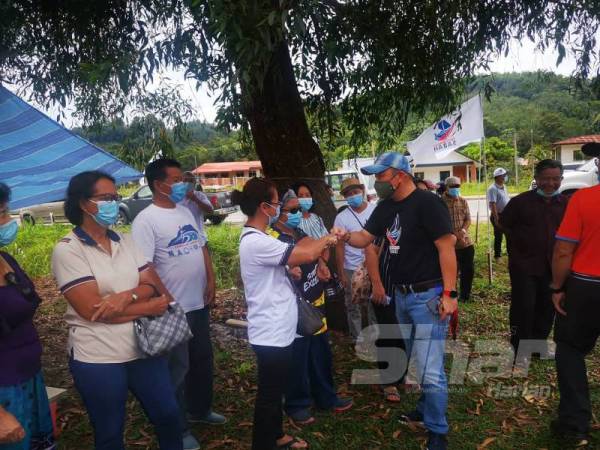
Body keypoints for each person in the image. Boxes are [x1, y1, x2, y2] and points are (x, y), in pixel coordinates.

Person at [331, 152, 458, 450]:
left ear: (399, 175)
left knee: (430, 369)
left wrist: (450, 294)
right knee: (419, 359)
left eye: (381, 176)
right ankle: (425, 411)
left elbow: (446, 248)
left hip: (427, 296)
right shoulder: (386, 207)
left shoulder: (428, 203)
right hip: (400, 295)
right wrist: (344, 236)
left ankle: (438, 432)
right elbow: (365, 237)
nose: (377, 182)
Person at [50, 171, 181, 450]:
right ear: (84, 203)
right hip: (98, 355)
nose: (113, 203)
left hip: (142, 346)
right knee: (109, 430)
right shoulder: (68, 250)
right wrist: (148, 307)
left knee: (168, 414)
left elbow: (150, 283)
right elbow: (93, 311)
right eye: (105, 198)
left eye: (115, 197)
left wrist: (127, 295)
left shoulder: (124, 240)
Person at [233, 177, 338, 450]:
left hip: (277, 328)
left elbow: (294, 253)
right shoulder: (256, 241)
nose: (280, 208)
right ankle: (264, 442)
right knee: (269, 394)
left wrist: (285, 268)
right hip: (270, 331)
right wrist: (330, 238)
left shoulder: (260, 238)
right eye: (277, 202)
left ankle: (276, 434)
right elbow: (305, 254)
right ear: (264, 206)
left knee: (275, 389)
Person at [131, 159, 222, 450]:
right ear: (159, 185)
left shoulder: (185, 211)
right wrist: (165, 299)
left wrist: (210, 279)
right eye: (176, 179)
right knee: (177, 370)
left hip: (198, 302)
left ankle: (200, 410)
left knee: (201, 360)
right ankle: (179, 428)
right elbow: (144, 266)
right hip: (172, 308)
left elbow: (201, 245)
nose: (182, 183)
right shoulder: (146, 220)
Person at [269, 189, 353, 426]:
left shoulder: (297, 230)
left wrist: (321, 263)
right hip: (294, 309)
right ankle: (297, 404)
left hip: (315, 303)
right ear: (278, 212)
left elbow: (312, 250)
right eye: (293, 210)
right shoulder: (271, 238)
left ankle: (326, 397)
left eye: (300, 209)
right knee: (298, 359)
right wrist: (287, 271)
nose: (298, 213)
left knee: (320, 355)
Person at [550, 143, 600, 447]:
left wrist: (557, 287)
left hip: (586, 287)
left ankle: (575, 424)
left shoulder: (583, 199)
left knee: (569, 350)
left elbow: (563, 249)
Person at [0, 182, 56, 450]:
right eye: (0, 214)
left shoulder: (6, 259)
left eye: (6, 211)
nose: (8, 221)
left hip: (28, 378)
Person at [500, 160, 567, 362]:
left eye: (556, 179)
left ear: (561, 180)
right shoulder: (520, 202)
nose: (550, 183)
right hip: (524, 267)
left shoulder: (566, 204)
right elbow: (504, 225)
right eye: (545, 179)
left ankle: (538, 347)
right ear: (537, 179)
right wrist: (518, 249)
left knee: (547, 308)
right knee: (524, 307)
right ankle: (520, 349)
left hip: (553, 267)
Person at [333, 178, 377, 343]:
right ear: (345, 196)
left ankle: (375, 338)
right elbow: (339, 247)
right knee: (353, 305)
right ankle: (356, 339)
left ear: (362, 191)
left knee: (374, 303)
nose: (353, 196)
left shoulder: (375, 211)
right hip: (351, 266)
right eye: (349, 194)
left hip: (373, 265)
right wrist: (341, 271)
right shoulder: (342, 218)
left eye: (356, 192)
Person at [442, 176, 474, 301]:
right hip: (449, 244)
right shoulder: (441, 202)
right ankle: (451, 296)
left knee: (469, 270)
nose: (456, 189)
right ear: (447, 188)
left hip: (465, 242)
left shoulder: (463, 201)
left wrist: (462, 232)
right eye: (453, 187)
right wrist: (454, 235)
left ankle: (465, 296)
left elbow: (468, 219)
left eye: (458, 186)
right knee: (451, 272)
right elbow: (440, 222)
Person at [181, 171, 213, 240]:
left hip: (199, 237)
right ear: (181, 183)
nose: (188, 183)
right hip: (182, 239)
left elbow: (210, 210)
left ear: (194, 183)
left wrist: (196, 199)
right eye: (185, 180)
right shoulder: (176, 197)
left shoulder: (200, 195)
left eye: (191, 181)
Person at [487, 167, 510, 259]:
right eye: (503, 176)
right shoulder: (492, 189)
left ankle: (510, 252)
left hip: (506, 215)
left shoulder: (504, 187)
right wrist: (496, 219)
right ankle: (497, 255)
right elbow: (493, 204)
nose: (505, 177)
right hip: (498, 215)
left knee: (509, 234)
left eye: (505, 175)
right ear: (497, 177)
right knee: (498, 235)